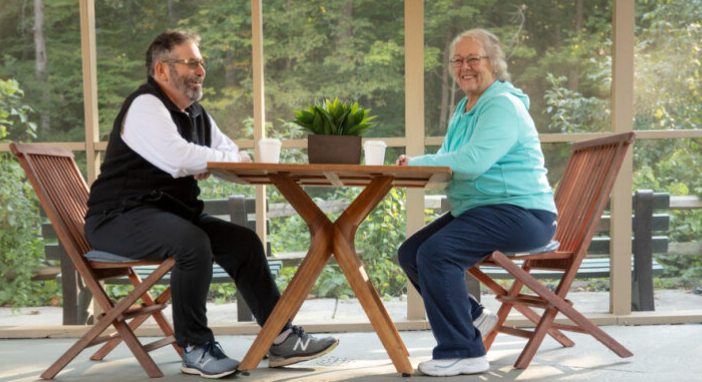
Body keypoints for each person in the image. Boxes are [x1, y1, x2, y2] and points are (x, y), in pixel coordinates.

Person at [84, 29, 338, 379]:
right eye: (190, 62)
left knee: (244, 242)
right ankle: (195, 347)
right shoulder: (146, 105)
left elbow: (234, 155)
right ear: (161, 70)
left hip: (171, 215)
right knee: (191, 243)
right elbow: (178, 158)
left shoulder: (196, 114)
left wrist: (204, 159)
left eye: (201, 62)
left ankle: (278, 337)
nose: (200, 70)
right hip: (119, 218)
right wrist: (202, 160)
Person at [396, 29, 558, 377]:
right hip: (484, 209)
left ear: (494, 63)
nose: (465, 67)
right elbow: (448, 158)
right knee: (411, 253)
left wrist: (418, 165)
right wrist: (416, 164)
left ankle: (464, 351)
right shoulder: (465, 108)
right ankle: (470, 316)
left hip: (521, 213)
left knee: (436, 254)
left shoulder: (501, 104)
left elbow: (472, 162)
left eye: (474, 59)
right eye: (458, 60)